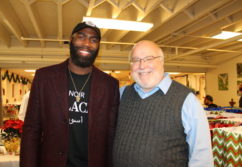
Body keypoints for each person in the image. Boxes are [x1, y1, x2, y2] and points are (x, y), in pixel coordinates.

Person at [20, 21, 120, 167]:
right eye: (81, 37)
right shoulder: (45, 77)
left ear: (98, 47)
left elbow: (111, 135)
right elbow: (31, 130)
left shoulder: (109, 85)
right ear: (71, 40)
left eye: (93, 40)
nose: (87, 43)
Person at [113, 40, 213, 167]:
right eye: (136, 60)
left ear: (161, 61)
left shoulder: (187, 100)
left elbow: (201, 157)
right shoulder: (121, 94)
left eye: (149, 58)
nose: (142, 66)